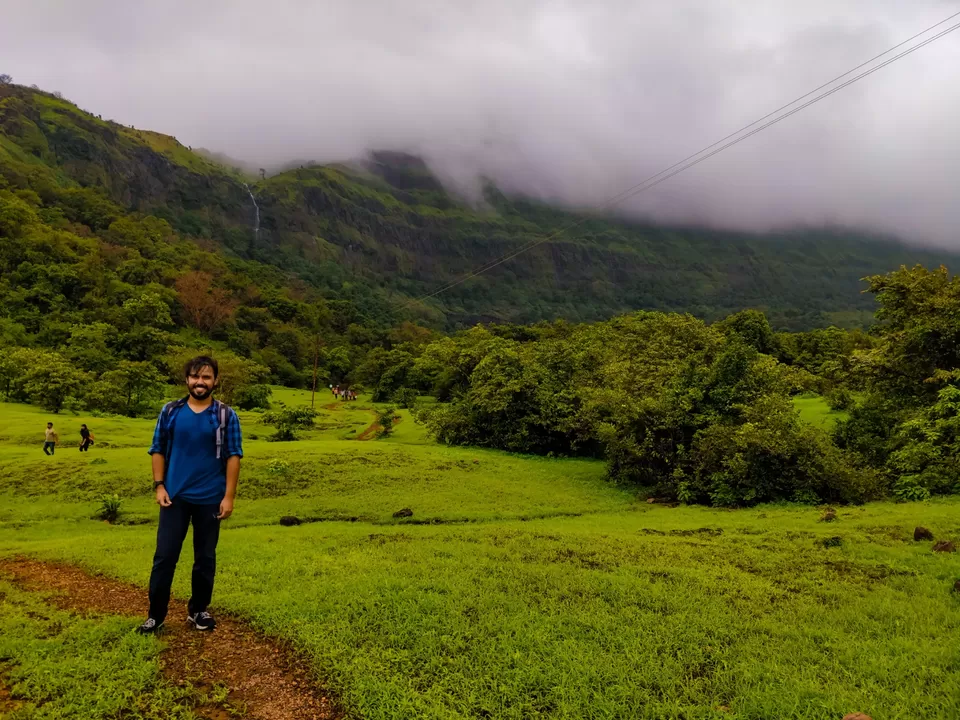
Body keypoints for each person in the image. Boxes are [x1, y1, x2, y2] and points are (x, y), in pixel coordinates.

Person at [136, 356, 243, 635]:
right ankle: (155, 616)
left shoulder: (225, 415)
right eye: (195, 376)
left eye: (206, 377)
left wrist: (229, 496)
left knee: (205, 557)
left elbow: (234, 456)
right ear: (187, 380)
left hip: (210, 497)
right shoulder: (171, 411)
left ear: (215, 381)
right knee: (165, 557)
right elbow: (157, 448)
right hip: (175, 497)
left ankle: (198, 611)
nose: (200, 382)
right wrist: (159, 485)